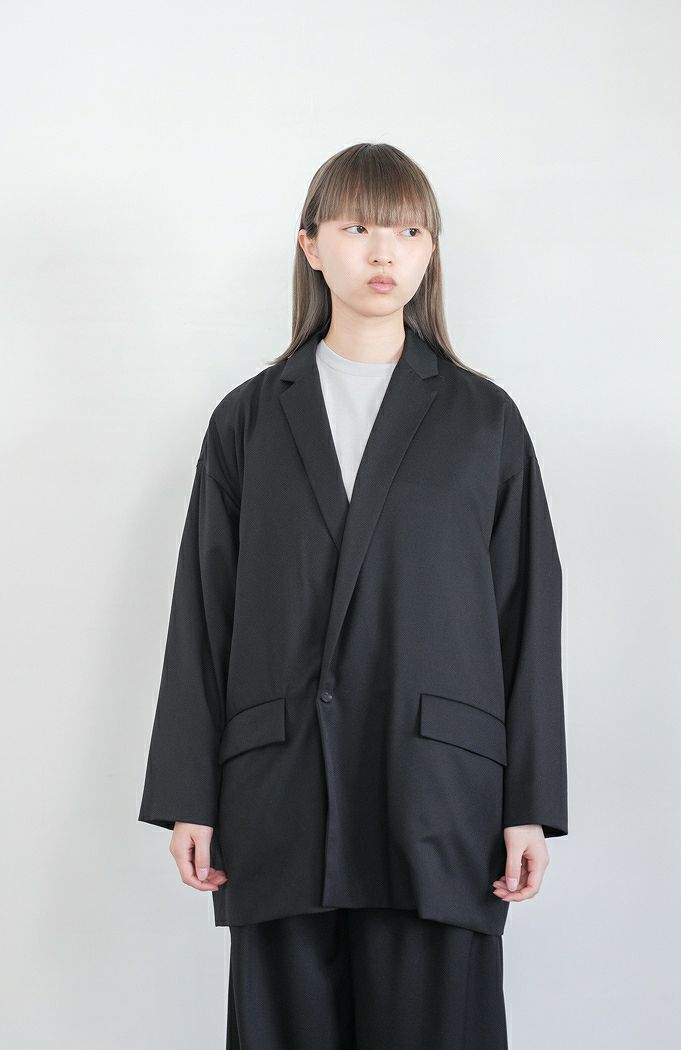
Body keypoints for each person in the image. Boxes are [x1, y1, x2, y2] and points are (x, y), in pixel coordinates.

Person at [138, 141, 568, 1050]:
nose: (384, 252)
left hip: (439, 795)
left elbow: (527, 614)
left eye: (409, 231)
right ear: (311, 245)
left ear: (431, 250)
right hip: (281, 791)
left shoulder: (483, 420)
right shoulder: (249, 420)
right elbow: (203, 611)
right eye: (359, 227)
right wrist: (189, 794)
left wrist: (527, 801)